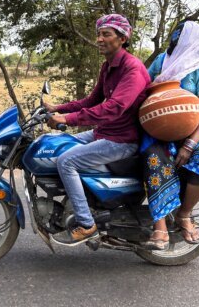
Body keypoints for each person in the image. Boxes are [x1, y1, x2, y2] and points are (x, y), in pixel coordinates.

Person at [44, 14, 150, 245]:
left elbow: (113, 108)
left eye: (106, 34)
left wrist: (68, 118)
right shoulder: (108, 67)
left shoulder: (133, 69)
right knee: (54, 144)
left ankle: (86, 223)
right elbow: (92, 100)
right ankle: (82, 200)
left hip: (122, 140)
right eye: (99, 34)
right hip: (104, 132)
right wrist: (57, 108)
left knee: (66, 161)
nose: (99, 39)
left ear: (122, 38)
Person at [141, 21, 199, 250]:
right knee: (154, 159)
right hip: (158, 127)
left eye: (179, 36)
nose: (174, 40)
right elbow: (143, 86)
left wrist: (190, 144)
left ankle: (184, 214)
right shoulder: (161, 61)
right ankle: (160, 227)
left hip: (195, 129)